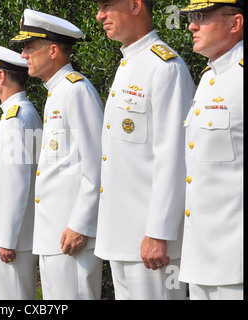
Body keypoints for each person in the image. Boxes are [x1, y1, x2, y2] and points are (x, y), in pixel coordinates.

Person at [93, 0, 196, 300]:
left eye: (107, 6)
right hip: (122, 236)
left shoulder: (165, 67)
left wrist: (159, 231)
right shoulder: (128, 64)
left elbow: (174, 157)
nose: (100, 15)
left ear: (136, 5)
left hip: (150, 242)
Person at [10, 9, 104, 300]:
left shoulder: (76, 91)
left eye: (29, 47)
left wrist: (81, 224)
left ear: (53, 51)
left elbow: (97, 164)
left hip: (70, 233)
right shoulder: (58, 92)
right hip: (55, 233)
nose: (24, 54)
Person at [178, 0, 243, 300]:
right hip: (200, 258)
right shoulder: (207, 79)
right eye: (192, 17)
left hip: (236, 263)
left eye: (202, 17)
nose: (192, 25)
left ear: (235, 23)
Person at [0, 44, 42, 300]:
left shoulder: (16, 119)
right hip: (7, 235)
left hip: (7, 237)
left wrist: (7, 239)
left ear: (1, 76)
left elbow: (17, 183)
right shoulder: (20, 114)